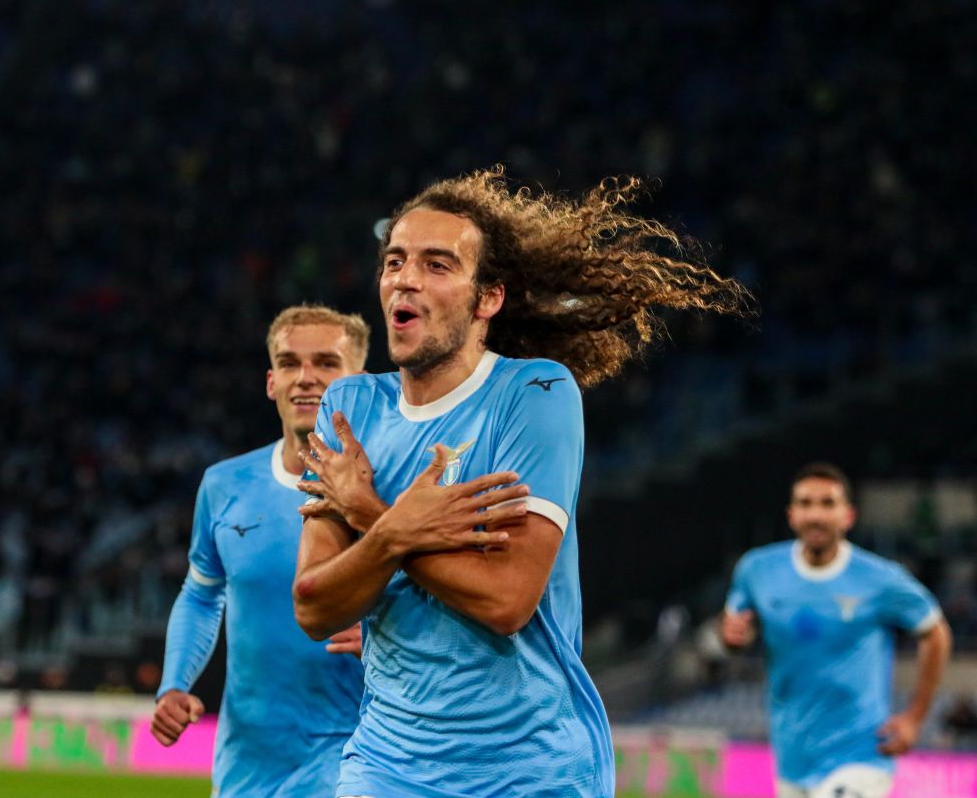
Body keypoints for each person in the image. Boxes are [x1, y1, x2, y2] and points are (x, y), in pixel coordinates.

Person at [291, 167, 749, 798]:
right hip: (386, 766)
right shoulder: (350, 408)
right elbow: (314, 606)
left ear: (488, 299)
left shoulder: (534, 392)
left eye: (437, 264)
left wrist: (373, 517)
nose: (405, 278)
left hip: (530, 770)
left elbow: (506, 601)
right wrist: (400, 532)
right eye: (395, 261)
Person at [151, 305, 370, 797]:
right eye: (290, 364)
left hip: (355, 761)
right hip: (246, 769)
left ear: (359, 383)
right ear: (272, 382)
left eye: (326, 363)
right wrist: (174, 685)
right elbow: (201, 595)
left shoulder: (389, 489)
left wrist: (387, 629)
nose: (306, 377)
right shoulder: (224, 485)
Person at [721, 463, 953, 798]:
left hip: (861, 754)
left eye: (828, 503)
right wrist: (731, 637)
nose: (816, 515)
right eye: (806, 503)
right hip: (792, 758)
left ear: (848, 516)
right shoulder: (757, 570)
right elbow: (732, 630)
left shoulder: (880, 579)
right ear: (791, 515)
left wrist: (915, 717)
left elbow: (936, 632)